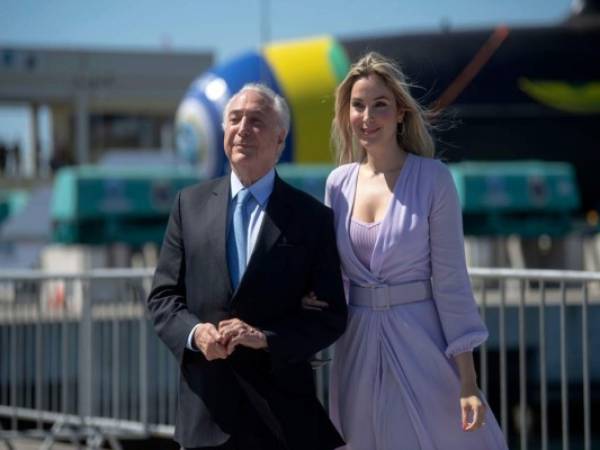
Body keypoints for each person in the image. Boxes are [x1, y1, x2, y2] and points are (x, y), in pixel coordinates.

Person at [303, 52, 508, 449]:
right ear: (347, 115)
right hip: (357, 346)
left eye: (380, 105)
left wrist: (468, 380)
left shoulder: (434, 179)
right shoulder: (337, 184)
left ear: (400, 113)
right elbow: (334, 277)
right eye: (358, 106)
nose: (368, 116)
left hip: (421, 342)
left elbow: (451, 281)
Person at [147, 83, 347, 450]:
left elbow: (331, 316)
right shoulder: (187, 206)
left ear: (280, 139)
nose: (242, 129)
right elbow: (162, 300)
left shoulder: (312, 218)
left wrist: (265, 338)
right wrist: (196, 335)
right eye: (235, 119)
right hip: (206, 416)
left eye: (256, 121)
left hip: (283, 419)